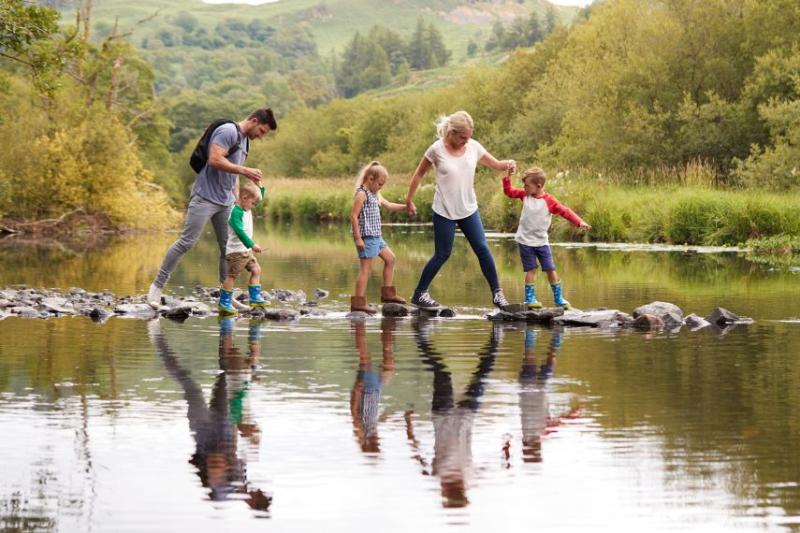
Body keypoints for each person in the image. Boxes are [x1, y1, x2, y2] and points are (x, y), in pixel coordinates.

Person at [147, 108, 277, 309]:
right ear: (253, 121)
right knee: (186, 242)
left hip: (226, 202)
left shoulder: (245, 142)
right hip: (205, 197)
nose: (261, 136)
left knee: (228, 249)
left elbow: (232, 176)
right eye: (261, 131)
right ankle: (156, 289)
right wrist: (245, 170)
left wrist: (235, 199)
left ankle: (226, 296)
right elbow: (215, 159)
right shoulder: (228, 131)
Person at [405, 110, 516, 310]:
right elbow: (419, 174)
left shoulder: (473, 147)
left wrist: (508, 164)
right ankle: (419, 294)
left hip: (468, 208)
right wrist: (409, 200)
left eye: (469, 137)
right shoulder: (436, 149)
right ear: (452, 132)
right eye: (463, 137)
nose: (466, 141)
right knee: (443, 254)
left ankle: (498, 295)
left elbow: (497, 164)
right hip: (444, 210)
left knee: (482, 249)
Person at [502, 167, 591, 309]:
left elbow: (565, 211)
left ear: (538, 186)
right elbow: (509, 192)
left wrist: (579, 222)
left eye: (527, 185)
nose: (524, 188)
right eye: (524, 185)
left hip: (542, 242)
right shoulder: (524, 195)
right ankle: (530, 300)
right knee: (531, 270)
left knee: (550, 269)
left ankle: (559, 299)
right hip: (525, 241)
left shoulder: (549, 201)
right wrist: (507, 178)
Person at [349, 161, 408, 314]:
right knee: (365, 270)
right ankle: (358, 302)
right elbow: (354, 217)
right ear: (370, 179)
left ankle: (388, 294)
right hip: (366, 237)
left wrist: (406, 207)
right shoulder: (362, 193)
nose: (380, 187)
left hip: (376, 236)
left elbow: (388, 205)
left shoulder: (375, 193)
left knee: (390, 259)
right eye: (380, 184)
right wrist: (358, 238)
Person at [218, 180, 268, 315]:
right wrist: (252, 244)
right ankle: (224, 302)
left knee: (256, 269)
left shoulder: (246, 207)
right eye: (253, 203)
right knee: (232, 276)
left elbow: (260, 195)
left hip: (245, 251)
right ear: (244, 198)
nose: (253, 207)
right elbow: (240, 231)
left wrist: (259, 184)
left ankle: (254, 297)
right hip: (236, 252)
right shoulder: (236, 212)